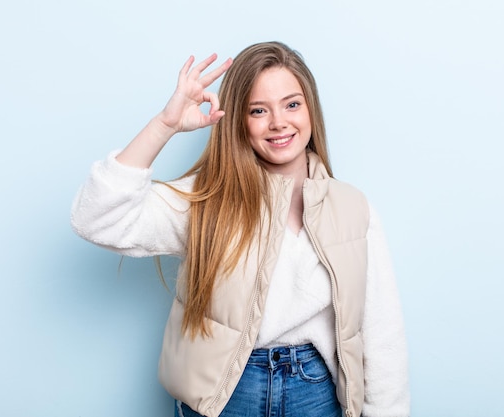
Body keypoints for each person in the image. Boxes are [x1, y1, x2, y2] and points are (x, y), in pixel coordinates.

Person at [71, 41, 409, 417]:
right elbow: (96, 219)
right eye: (258, 110)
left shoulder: (353, 208)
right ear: (238, 121)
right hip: (226, 394)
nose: (279, 122)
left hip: (315, 391)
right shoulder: (206, 199)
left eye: (292, 104)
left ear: (311, 109)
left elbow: (382, 336)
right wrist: (163, 126)